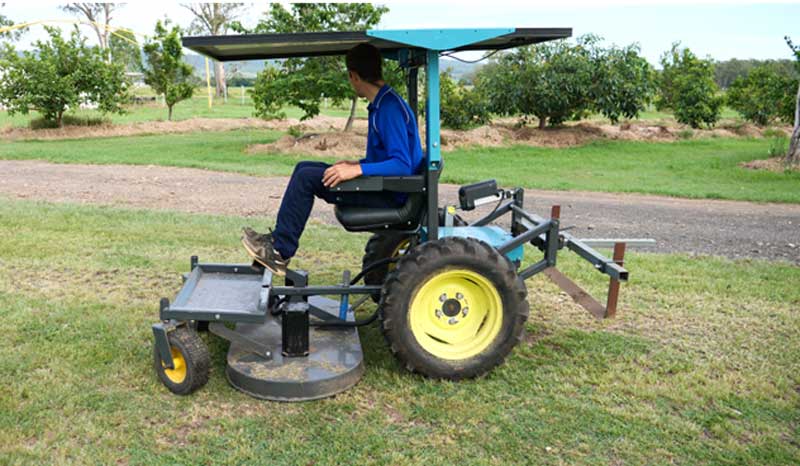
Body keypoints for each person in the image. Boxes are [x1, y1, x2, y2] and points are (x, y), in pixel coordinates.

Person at [242, 43, 423, 276]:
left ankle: (279, 251)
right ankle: (278, 240)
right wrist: (355, 164)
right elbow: (387, 158)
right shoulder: (383, 103)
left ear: (353, 75)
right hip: (383, 185)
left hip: (388, 195)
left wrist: (358, 170)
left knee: (307, 178)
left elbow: (402, 165)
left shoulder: (389, 108)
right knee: (304, 167)